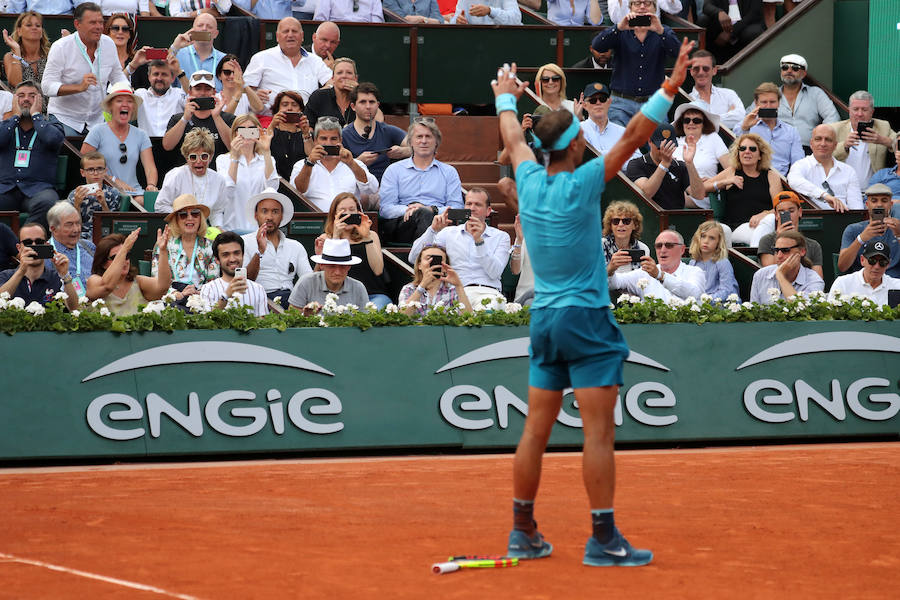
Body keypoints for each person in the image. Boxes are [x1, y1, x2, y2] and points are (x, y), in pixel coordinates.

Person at [492, 37, 695, 567]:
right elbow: (633, 135)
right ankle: (603, 540)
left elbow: (513, 137)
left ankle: (522, 531)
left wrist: (505, 97)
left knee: (535, 429)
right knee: (599, 433)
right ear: (578, 144)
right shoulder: (584, 182)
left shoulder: (527, 178)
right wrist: (671, 86)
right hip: (587, 319)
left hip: (545, 321)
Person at [408, 187, 510, 308]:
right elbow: (414, 258)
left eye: (478, 204)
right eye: (469, 204)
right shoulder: (448, 233)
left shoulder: (501, 236)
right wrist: (432, 230)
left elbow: (494, 273)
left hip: (488, 293)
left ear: (488, 211)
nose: (472, 208)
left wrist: (479, 241)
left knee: (489, 308)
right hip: (453, 294)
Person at [42, 3, 127, 136]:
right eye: (92, 22)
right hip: (65, 119)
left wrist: (126, 91)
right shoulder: (60, 47)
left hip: (98, 120)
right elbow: (47, 87)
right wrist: (79, 87)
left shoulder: (109, 44)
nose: (99, 27)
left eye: (101, 22)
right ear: (77, 24)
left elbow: (117, 76)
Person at [591, 0, 681, 126]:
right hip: (621, 102)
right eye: (637, 3)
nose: (642, 7)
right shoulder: (621, 31)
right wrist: (618, 27)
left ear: (655, 9)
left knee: (660, 143)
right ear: (630, 8)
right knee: (618, 142)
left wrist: (660, 31)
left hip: (653, 102)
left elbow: (678, 52)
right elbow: (597, 45)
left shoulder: (663, 31)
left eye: (647, 3)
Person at [378, 118, 463, 244]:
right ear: (411, 142)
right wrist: (411, 210)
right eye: (419, 137)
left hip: (440, 223)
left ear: (436, 142)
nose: (423, 141)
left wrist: (432, 210)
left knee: (426, 215)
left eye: (428, 137)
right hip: (403, 225)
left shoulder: (449, 172)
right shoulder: (394, 170)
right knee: (422, 214)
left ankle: (423, 257)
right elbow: (385, 209)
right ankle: (428, 256)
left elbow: (458, 209)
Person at [80, 82, 158, 207]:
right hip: (104, 190)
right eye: (119, 100)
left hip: (135, 193)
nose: (125, 104)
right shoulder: (97, 131)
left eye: (129, 101)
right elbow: (84, 162)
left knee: (143, 202)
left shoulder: (141, 134)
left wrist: (151, 185)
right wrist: (113, 181)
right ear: (110, 107)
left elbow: (150, 168)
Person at [0, 81, 64, 230]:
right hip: (6, 188)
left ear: (40, 100)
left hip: (38, 189)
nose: (26, 99)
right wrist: (15, 115)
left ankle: (26, 241)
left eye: (32, 96)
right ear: (15, 100)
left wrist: (36, 115)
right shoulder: (7, 125)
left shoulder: (51, 123)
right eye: (21, 96)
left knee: (50, 203)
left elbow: (53, 139)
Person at [704, 133, 782, 246]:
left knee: (768, 222)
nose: (747, 151)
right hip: (735, 227)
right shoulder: (731, 171)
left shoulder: (771, 176)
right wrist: (725, 182)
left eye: (753, 149)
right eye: (743, 148)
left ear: (760, 155)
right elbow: (704, 187)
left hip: (762, 225)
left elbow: (780, 206)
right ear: (738, 153)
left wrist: (764, 214)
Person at [316, 192, 390, 309]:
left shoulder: (372, 235)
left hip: (372, 295)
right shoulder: (327, 238)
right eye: (343, 210)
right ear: (334, 214)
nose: (348, 214)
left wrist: (366, 237)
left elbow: (377, 270)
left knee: (372, 315)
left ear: (358, 212)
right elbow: (319, 274)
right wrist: (336, 237)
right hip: (339, 296)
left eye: (352, 210)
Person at [242, 188, 311, 309]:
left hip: (292, 300)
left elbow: (309, 281)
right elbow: (245, 281)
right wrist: (259, 252)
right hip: (260, 300)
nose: (269, 217)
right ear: (256, 215)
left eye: (275, 212)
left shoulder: (295, 246)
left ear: (281, 216)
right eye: (264, 211)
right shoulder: (244, 242)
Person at [291, 116, 378, 212]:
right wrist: (309, 163)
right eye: (323, 138)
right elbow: (297, 192)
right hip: (316, 222)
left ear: (340, 140)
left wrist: (351, 163)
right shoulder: (301, 165)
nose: (328, 143)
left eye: (333, 139)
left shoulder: (355, 164)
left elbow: (372, 189)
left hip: (348, 221)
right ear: (315, 141)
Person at [244, 17, 333, 111]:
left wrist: (318, 95)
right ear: (277, 36)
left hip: (306, 119)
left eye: (294, 31)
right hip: (270, 119)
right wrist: (254, 94)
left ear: (302, 36)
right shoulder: (261, 58)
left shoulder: (315, 60)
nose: (290, 35)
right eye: (286, 31)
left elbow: (332, 83)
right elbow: (243, 88)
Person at [86, 228, 173, 315]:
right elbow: (107, 286)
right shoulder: (94, 281)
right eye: (115, 257)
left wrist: (163, 250)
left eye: (127, 255)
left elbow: (163, 287)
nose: (124, 261)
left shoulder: (139, 282)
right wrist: (124, 249)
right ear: (103, 263)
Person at [215, 115, 279, 232]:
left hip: (259, 230)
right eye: (242, 130)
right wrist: (234, 157)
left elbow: (272, 189)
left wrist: (266, 152)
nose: (247, 133)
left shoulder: (268, 159)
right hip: (232, 228)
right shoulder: (223, 160)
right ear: (234, 134)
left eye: (251, 129)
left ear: (258, 132)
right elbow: (227, 192)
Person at [152, 193, 219, 304]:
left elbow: (213, 281)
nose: (190, 218)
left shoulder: (210, 246)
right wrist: (179, 295)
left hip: (202, 301)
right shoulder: (164, 244)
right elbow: (157, 280)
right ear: (176, 220)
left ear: (200, 218)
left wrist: (197, 294)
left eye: (195, 213)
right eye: (183, 215)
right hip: (171, 301)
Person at [156, 129, 231, 227]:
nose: (199, 161)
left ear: (211, 157)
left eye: (204, 156)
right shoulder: (176, 175)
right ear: (186, 157)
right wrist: (184, 217)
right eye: (193, 157)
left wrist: (218, 229)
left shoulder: (218, 180)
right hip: (178, 227)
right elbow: (160, 206)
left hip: (205, 230)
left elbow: (217, 211)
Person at [609, 228, 705, 302]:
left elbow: (695, 294)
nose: (663, 250)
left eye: (669, 245)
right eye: (659, 246)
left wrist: (660, 276)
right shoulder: (644, 273)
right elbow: (614, 284)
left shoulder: (695, 271)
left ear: (682, 250)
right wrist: (610, 269)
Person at [625, 123, 706, 209]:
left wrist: (690, 163)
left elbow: (699, 195)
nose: (664, 151)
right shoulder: (636, 164)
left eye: (669, 146)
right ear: (649, 141)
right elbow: (646, 194)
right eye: (660, 147)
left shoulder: (679, 166)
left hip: (676, 218)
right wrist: (664, 164)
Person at [0, 222, 79, 311]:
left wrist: (65, 275)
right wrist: (21, 271)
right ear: (19, 248)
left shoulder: (57, 277)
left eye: (39, 242)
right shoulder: (5, 276)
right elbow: (1, 300)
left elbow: (74, 309)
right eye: (28, 242)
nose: (34, 246)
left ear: (47, 245)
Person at [341, 82, 410, 183]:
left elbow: (419, 148)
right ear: (353, 106)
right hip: (355, 187)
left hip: (386, 187)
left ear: (377, 105)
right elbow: (335, 170)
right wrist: (358, 162)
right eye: (363, 102)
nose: (368, 106)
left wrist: (404, 151)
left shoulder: (388, 130)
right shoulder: (344, 135)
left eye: (372, 102)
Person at [830, 91, 897, 190]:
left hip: (872, 192)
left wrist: (883, 140)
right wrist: (844, 145)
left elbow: (897, 142)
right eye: (855, 109)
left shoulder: (883, 126)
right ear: (849, 110)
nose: (860, 114)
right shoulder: (835, 129)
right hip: (842, 190)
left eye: (864, 110)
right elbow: (822, 156)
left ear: (872, 112)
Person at [735, 82, 803, 177]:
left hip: (782, 180)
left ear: (779, 103)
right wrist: (745, 128)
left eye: (772, 102)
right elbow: (736, 154)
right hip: (751, 179)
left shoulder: (791, 131)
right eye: (764, 102)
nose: (768, 106)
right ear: (756, 103)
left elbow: (798, 163)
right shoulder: (744, 126)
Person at [787, 124, 862, 212]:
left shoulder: (848, 171)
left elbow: (857, 208)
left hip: (844, 219)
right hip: (813, 221)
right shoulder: (800, 165)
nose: (823, 144)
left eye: (828, 140)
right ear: (811, 143)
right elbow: (794, 181)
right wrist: (824, 195)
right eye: (818, 139)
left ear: (835, 145)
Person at [163, 70, 235, 159]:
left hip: (218, 170)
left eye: (207, 89)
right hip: (187, 170)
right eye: (198, 88)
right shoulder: (177, 119)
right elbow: (167, 146)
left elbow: (235, 148)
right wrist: (185, 118)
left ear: (214, 92)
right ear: (189, 92)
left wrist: (216, 117)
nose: (202, 93)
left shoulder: (228, 119)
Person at [776, 54, 839, 149]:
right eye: (785, 67)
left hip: (808, 149)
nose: (789, 71)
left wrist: (820, 138)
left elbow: (833, 117)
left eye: (795, 68)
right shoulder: (771, 94)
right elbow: (751, 115)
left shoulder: (816, 93)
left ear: (804, 74)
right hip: (777, 148)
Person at [837, 183, 900, 279]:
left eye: (884, 201)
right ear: (867, 204)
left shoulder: (897, 227)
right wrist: (861, 239)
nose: (879, 204)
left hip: (894, 286)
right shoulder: (853, 229)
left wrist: (899, 235)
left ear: (891, 204)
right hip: (862, 286)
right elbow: (842, 266)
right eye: (874, 201)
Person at [199, 230, 269, 315]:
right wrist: (226, 296)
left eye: (236, 253)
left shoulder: (258, 289)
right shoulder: (208, 289)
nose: (232, 259)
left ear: (243, 255)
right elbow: (207, 322)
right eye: (226, 255)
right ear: (217, 260)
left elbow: (263, 323)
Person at [288, 237, 368, 310]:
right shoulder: (305, 282)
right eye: (332, 266)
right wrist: (305, 316)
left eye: (342, 267)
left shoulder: (358, 288)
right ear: (322, 265)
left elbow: (366, 321)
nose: (337, 272)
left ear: (348, 267)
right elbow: (292, 318)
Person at [757, 190, 824, 277]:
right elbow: (770, 273)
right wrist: (779, 238)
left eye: (791, 211)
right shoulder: (766, 241)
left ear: (799, 212)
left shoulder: (813, 245)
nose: (787, 215)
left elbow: (818, 280)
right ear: (776, 215)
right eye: (782, 212)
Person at [749, 230, 823, 304]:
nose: (779, 256)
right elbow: (754, 311)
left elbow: (801, 309)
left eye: (785, 250)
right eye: (776, 250)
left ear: (802, 251)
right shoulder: (760, 275)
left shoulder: (814, 280)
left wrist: (781, 276)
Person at [671, 102, 729, 194]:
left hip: (706, 194)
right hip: (678, 191)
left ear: (704, 123)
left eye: (696, 120)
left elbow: (731, 168)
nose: (691, 123)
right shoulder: (675, 143)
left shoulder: (713, 138)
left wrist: (710, 183)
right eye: (686, 120)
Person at [399, 244, 473, 315]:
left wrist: (459, 286)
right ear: (419, 265)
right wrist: (422, 286)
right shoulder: (409, 289)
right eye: (428, 258)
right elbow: (403, 316)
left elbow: (468, 317)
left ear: (445, 266)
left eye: (439, 260)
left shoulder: (454, 290)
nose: (432, 263)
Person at [67, 151, 121, 240]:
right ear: (82, 172)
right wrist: (77, 205)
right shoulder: (75, 194)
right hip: (79, 238)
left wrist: (103, 204)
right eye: (91, 169)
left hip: (105, 238)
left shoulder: (113, 193)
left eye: (100, 169)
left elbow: (113, 225)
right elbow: (71, 226)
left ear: (105, 171)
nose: (96, 173)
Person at [686, 49, 745, 131]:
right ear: (691, 72)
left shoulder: (729, 94)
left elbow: (740, 117)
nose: (701, 72)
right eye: (696, 69)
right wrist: (727, 115)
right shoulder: (687, 100)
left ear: (714, 70)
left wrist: (703, 120)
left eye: (705, 68)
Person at [46, 201, 95, 297]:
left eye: (78, 223)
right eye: (69, 225)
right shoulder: (46, 255)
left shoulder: (89, 247)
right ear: (53, 229)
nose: (76, 229)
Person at [829, 240, 900, 306]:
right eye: (872, 261)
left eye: (882, 262)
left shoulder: (897, 286)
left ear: (888, 264)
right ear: (862, 260)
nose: (877, 266)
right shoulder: (843, 283)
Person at [579, 83, 639, 159]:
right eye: (593, 100)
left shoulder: (623, 132)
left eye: (602, 99)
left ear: (609, 102)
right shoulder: (577, 131)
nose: (598, 103)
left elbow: (636, 159)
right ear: (584, 105)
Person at [170, 13, 226, 91]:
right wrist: (175, 47)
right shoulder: (178, 54)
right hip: (184, 102)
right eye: (200, 25)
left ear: (216, 34)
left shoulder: (224, 59)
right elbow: (162, 73)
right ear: (193, 30)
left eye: (209, 27)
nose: (204, 29)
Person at [135, 59, 188, 137]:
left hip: (174, 146)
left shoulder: (179, 94)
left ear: (173, 78)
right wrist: (132, 65)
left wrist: (179, 71)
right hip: (146, 146)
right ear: (149, 77)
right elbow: (117, 89)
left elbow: (193, 97)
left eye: (164, 74)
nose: (159, 78)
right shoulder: (140, 95)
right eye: (156, 74)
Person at [697, 0, 764, 62]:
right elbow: (706, 6)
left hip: (744, 28)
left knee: (754, 32)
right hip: (721, 30)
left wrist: (731, 32)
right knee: (703, 20)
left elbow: (755, 13)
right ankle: (704, 63)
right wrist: (719, 12)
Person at [687, 220, 738, 301]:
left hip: (720, 305)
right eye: (703, 236)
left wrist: (705, 301)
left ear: (719, 242)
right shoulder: (693, 263)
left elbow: (726, 291)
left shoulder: (722, 262)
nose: (706, 241)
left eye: (712, 238)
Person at [268, 90, 313, 181]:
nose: (289, 108)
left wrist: (305, 133)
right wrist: (272, 125)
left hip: (300, 183)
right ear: (278, 109)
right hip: (274, 182)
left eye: (294, 105)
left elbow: (312, 156)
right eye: (285, 105)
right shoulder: (270, 131)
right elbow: (261, 148)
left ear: (300, 110)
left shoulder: (307, 133)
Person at [305, 57, 360, 128]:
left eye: (349, 73)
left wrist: (360, 92)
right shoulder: (319, 97)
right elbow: (308, 127)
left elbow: (378, 121)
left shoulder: (363, 98)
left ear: (356, 78)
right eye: (339, 73)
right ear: (333, 78)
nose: (344, 76)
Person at [2, 11, 51, 89]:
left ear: (42, 32)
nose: (34, 28)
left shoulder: (51, 54)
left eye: (38, 26)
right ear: (19, 31)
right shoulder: (10, 57)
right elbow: (16, 84)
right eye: (29, 25)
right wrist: (17, 51)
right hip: (23, 100)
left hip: (50, 100)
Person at [601, 200, 650, 278]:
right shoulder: (600, 246)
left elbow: (644, 280)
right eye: (616, 221)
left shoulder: (643, 248)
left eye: (626, 221)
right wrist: (610, 268)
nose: (620, 225)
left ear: (635, 225)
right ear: (610, 226)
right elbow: (592, 279)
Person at [216, 54, 264, 118]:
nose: (232, 76)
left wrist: (243, 83)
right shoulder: (215, 99)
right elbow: (225, 120)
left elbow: (259, 108)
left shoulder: (247, 97)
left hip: (244, 128)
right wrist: (238, 93)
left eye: (235, 73)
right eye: (227, 72)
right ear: (219, 75)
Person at [452, 0, 522, 24]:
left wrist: (490, 11)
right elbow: (454, 20)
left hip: (505, 39)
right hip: (475, 41)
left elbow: (516, 19)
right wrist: (457, 21)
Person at [314, 0, 385, 22]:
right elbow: (319, 22)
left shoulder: (374, 1)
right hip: (333, 37)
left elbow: (377, 27)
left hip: (366, 39)